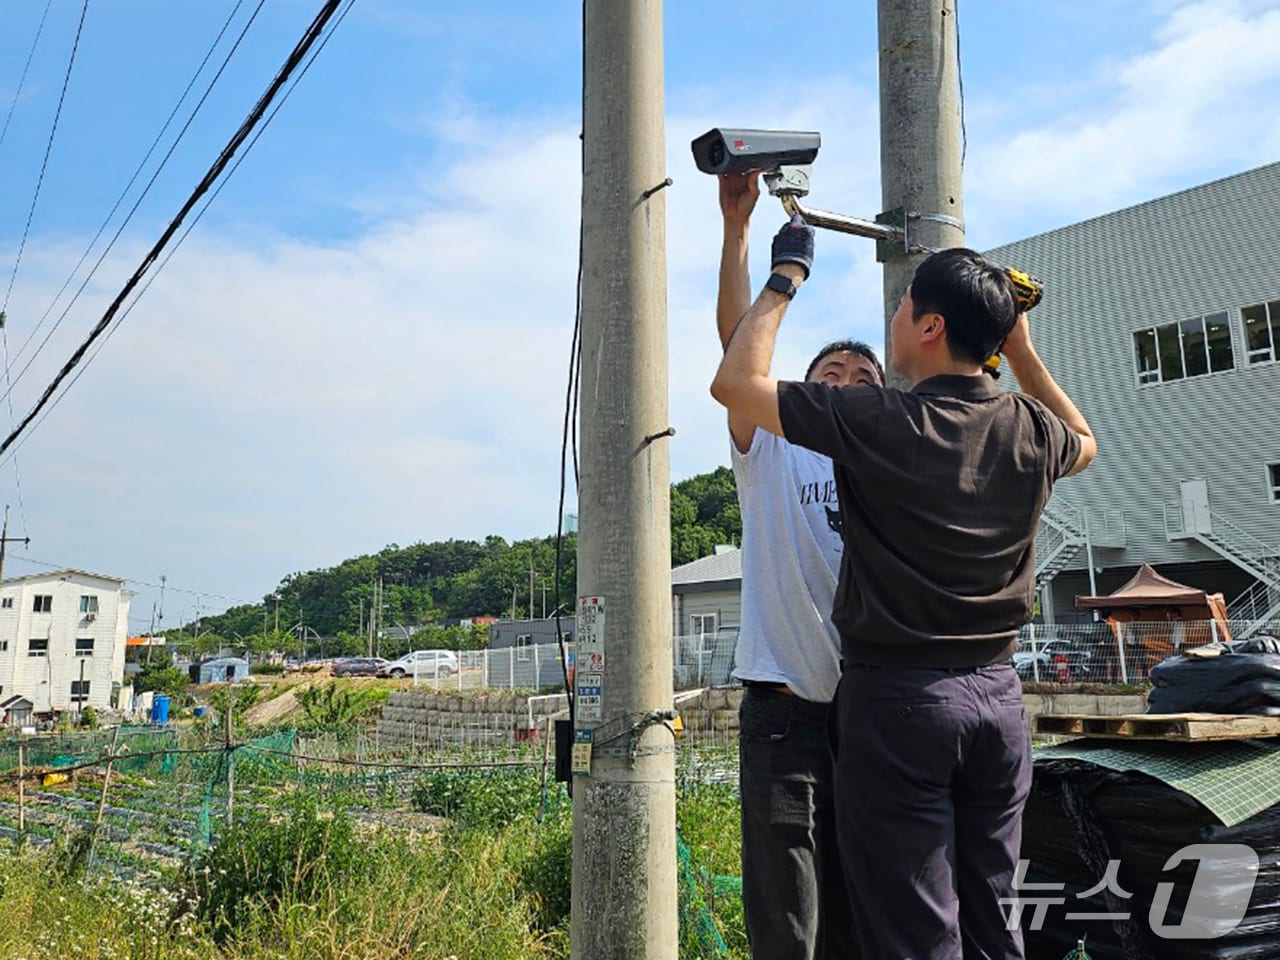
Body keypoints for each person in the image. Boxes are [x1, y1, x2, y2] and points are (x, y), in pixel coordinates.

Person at [710, 216, 1097, 960]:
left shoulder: (881, 424)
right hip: (987, 698)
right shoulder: (1023, 428)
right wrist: (1015, 347)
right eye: (833, 377)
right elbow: (1086, 441)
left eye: (897, 310)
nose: (855, 377)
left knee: (911, 926)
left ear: (927, 326)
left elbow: (737, 375)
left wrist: (787, 273)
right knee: (988, 910)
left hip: (897, 704)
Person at [715, 171, 881, 960]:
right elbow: (738, 354)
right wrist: (740, 233)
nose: (845, 384)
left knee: (865, 905)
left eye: (863, 380)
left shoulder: (896, 458)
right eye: (828, 378)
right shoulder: (774, 448)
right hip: (784, 716)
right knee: (789, 918)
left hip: (878, 714)